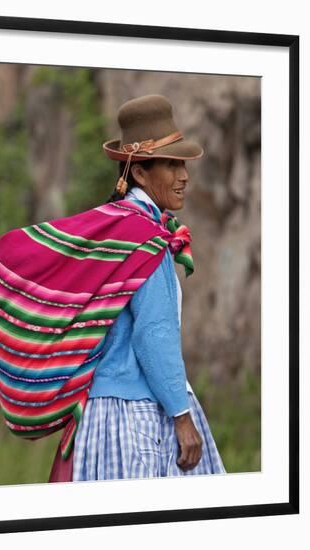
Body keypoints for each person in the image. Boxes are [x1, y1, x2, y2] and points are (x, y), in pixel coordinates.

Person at [70, 94, 226, 481]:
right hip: (140, 416)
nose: (184, 176)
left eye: (183, 164)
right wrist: (181, 415)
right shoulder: (146, 239)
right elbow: (153, 334)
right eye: (172, 164)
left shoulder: (113, 232)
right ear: (139, 173)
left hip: (101, 415)